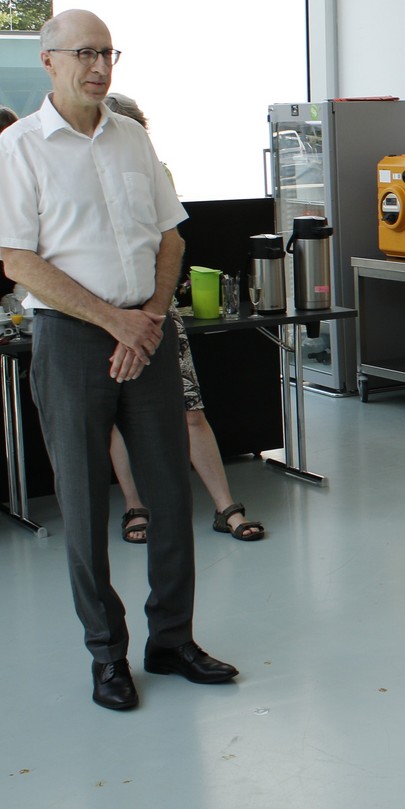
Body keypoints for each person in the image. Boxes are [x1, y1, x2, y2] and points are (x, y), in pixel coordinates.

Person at [0, 9, 238, 710]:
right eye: (83, 53)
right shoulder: (21, 149)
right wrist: (114, 321)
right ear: (48, 61)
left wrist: (148, 317)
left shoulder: (132, 139)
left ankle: (172, 638)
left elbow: (171, 238)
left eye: (107, 52)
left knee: (169, 490)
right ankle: (107, 655)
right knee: (86, 500)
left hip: (148, 331)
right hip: (71, 337)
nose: (99, 66)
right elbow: (17, 258)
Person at [99, 93, 263, 543]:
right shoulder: (83, 171)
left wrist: (154, 310)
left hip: (156, 308)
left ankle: (225, 506)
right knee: (115, 413)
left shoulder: (155, 172)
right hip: (103, 311)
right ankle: (135, 505)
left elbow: (171, 241)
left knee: (190, 410)